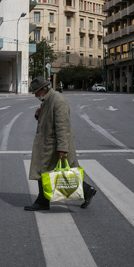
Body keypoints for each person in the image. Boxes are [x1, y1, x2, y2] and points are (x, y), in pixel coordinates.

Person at [25, 76, 97, 211]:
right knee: (47, 172)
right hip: (48, 144)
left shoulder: (58, 101)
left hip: (54, 145)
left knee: (52, 172)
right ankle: (85, 190)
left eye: (36, 92)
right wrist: (38, 116)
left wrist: (63, 149)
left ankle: (43, 201)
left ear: (44, 90)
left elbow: (62, 126)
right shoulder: (47, 100)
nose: (35, 95)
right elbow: (48, 121)